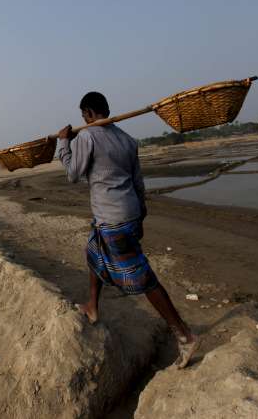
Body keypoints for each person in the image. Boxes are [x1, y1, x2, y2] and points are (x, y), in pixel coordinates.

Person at [57, 91, 198, 368]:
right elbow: (138, 182)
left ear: (87, 113)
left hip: (113, 219)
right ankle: (93, 307)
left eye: (83, 115)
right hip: (127, 214)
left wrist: (64, 143)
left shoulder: (88, 136)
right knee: (93, 252)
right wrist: (140, 216)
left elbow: (73, 174)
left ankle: (185, 335)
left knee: (143, 277)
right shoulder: (126, 139)